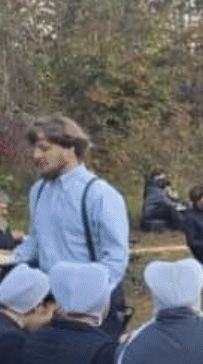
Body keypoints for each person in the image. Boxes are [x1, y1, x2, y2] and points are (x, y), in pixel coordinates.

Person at [13, 114, 132, 338]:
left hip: (92, 308)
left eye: (44, 148)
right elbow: (36, 240)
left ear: (70, 148)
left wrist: (88, 300)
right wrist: (8, 260)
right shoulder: (38, 191)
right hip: (49, 302)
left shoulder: (100, 195)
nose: (36, 155)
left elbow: (116, 258)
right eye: (35, 149)